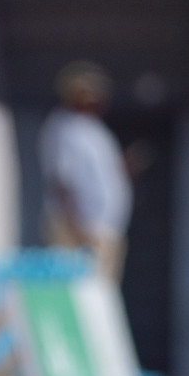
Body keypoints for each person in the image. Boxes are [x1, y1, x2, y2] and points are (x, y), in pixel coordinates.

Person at [39, 61, 132, 283]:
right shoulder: (64, 127)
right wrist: (78, 227)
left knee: (100, 295)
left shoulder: (96, 130)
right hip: (80, 229)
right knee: (76, 291)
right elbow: (62, 181)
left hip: (105, 228)